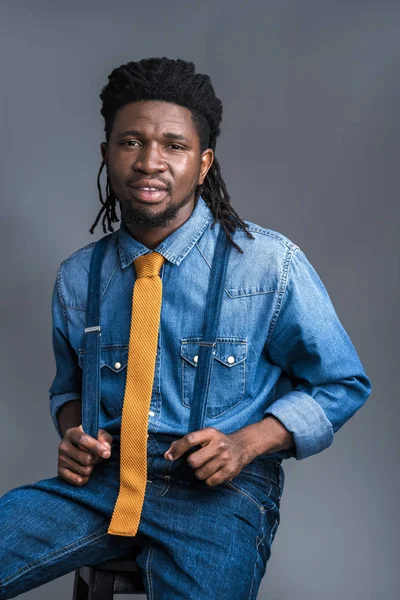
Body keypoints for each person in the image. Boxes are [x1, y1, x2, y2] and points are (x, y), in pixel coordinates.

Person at [0, 57, 372, 599]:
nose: (150, 161)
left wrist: (246, 444)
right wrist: (75, 435)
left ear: (203, 163)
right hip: (102, 487)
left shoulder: (269, 264)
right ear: (106, 154)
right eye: (131, 142)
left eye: (174, 145)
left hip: (219, 494)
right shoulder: (78, 278)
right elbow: (67, 389)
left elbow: (342, 383)